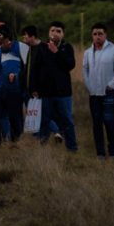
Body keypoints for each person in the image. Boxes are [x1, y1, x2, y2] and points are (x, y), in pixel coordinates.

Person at [32, 21, 78, 152]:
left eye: (58, 31)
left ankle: (72, 148)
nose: (55, 33)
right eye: (53, 30)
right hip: (45, 92)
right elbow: (35, 69)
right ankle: (42, 149)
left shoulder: (67, 47)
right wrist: (34, 88)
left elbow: (70, 65)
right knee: (44, 121)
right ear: (48, 32)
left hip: (63, 93)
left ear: (63, 34)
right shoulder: (41, 47)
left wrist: (57, 52)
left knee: (67, 121)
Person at [82, 23, 114, 159]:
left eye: (100, 34)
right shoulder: (88, 52)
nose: (97, 37)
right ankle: (100, 153)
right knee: (96, 123)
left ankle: (113, 151)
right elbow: (85, 69)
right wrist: (89, 85)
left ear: (105, 35)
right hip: (93, 94)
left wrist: (112, 84)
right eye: (95, 34)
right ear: (92, 36)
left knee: (108, 121)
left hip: (108, 92)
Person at [0, 27, 26, 143]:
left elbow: (27, 67)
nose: (3, 44)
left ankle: (16, 138)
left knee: (15, 115)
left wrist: (16, 75)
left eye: (4, 40)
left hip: (15, 89)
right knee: (3, 114)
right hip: (2, 89)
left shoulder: (20, 48)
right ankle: (7, 136)